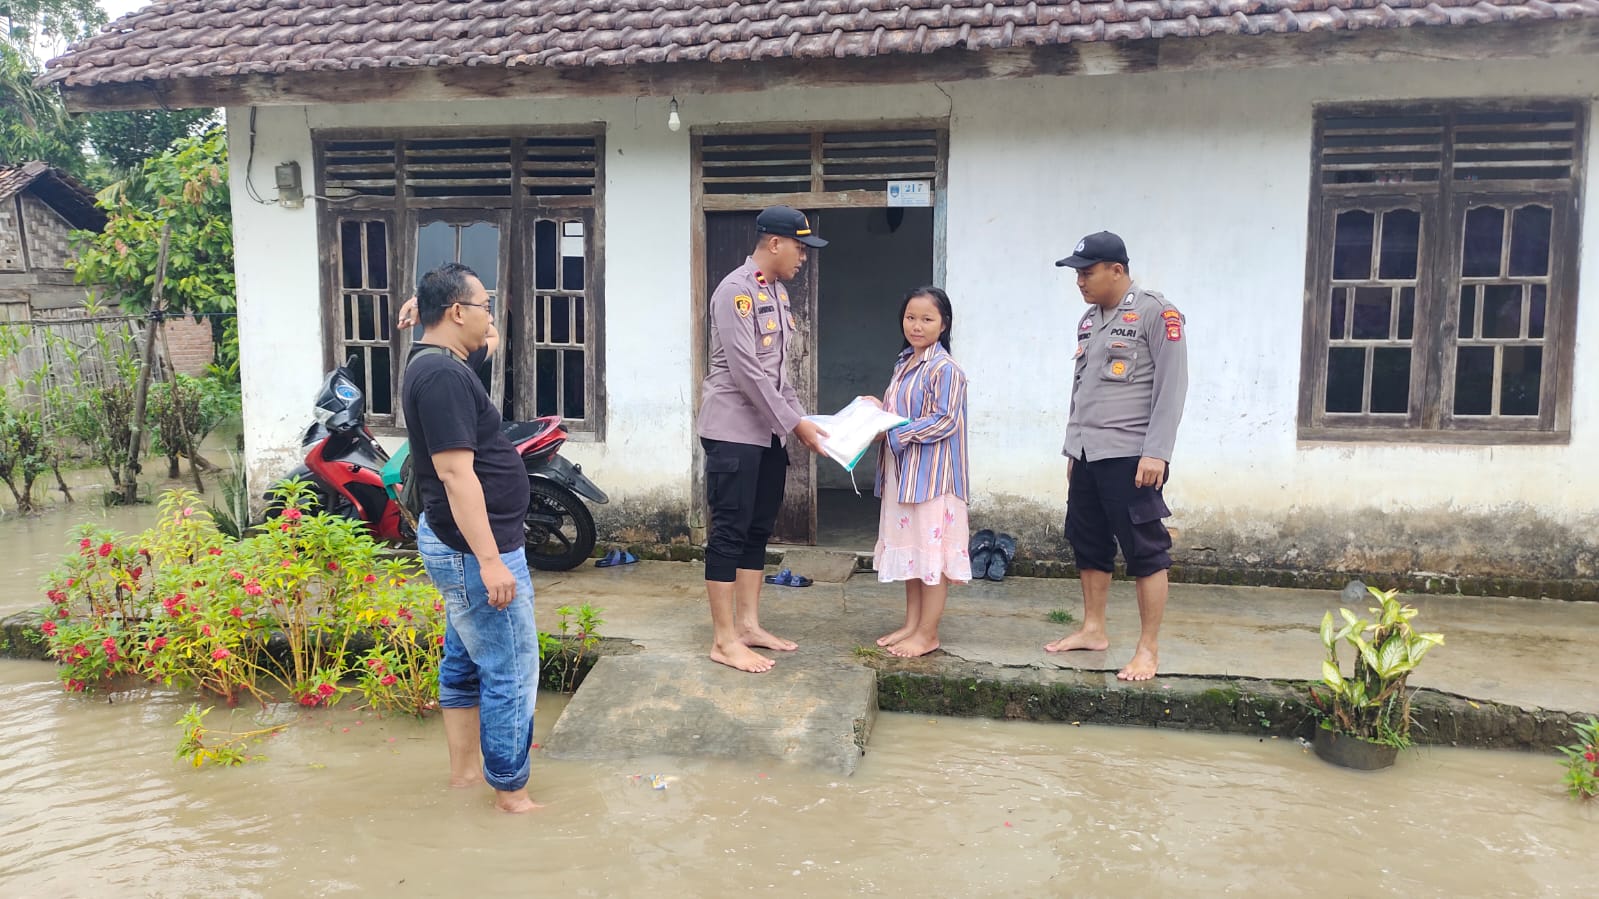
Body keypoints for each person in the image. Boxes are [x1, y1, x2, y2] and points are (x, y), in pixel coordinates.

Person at [402, 263, 540, 813]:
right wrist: (490, 560)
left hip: (460, 544)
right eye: (483, 306)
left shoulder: (445, 359)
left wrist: (424, 307)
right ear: (456, 312)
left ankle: (464, 776)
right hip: (473, 549)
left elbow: (494, 338)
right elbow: (457, 474)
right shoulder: (442, 378)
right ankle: (513, 795)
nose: (491, 317)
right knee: (510, 668)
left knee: (464, 661)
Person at [1046, 232, 1188, 682]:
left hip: (1132, 455)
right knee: (1088, 542)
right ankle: (1093, 629)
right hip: (1089, 453)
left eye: (1087, 273)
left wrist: (1158, 453)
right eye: (1077, 274)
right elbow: (1080, 389)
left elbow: (1173, 386)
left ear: (1117, 270)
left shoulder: (1156, 313)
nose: (1080, 282)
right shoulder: (1090, 321)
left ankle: (1148, 649)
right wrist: (1074, 448)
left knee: (1145, 552)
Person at [697, 205, 829, 674]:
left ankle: (749, 625)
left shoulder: (778, 294)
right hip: (732, 432)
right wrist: (795, 424)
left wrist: (798, 421)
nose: (804, 258)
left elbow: (779, 374)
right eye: (800, 247)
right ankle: (723, 638)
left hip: (768, 434)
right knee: (728, 533)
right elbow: (747, 373)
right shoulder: (736, 292)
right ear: (775, 243)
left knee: (757, 530)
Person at [868, 286, 971, 658]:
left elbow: (944, 420)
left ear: (943, 325)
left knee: (932, 556)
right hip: (903, 473)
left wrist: (895, 431)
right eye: (911, 317)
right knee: (913, 552)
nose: (917, 325)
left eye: (927, 319)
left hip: (933, 478)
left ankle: (928, 633)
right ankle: (912, 624)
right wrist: (877, 409)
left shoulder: (946, 369)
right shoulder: (905, 362)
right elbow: (904, 411)